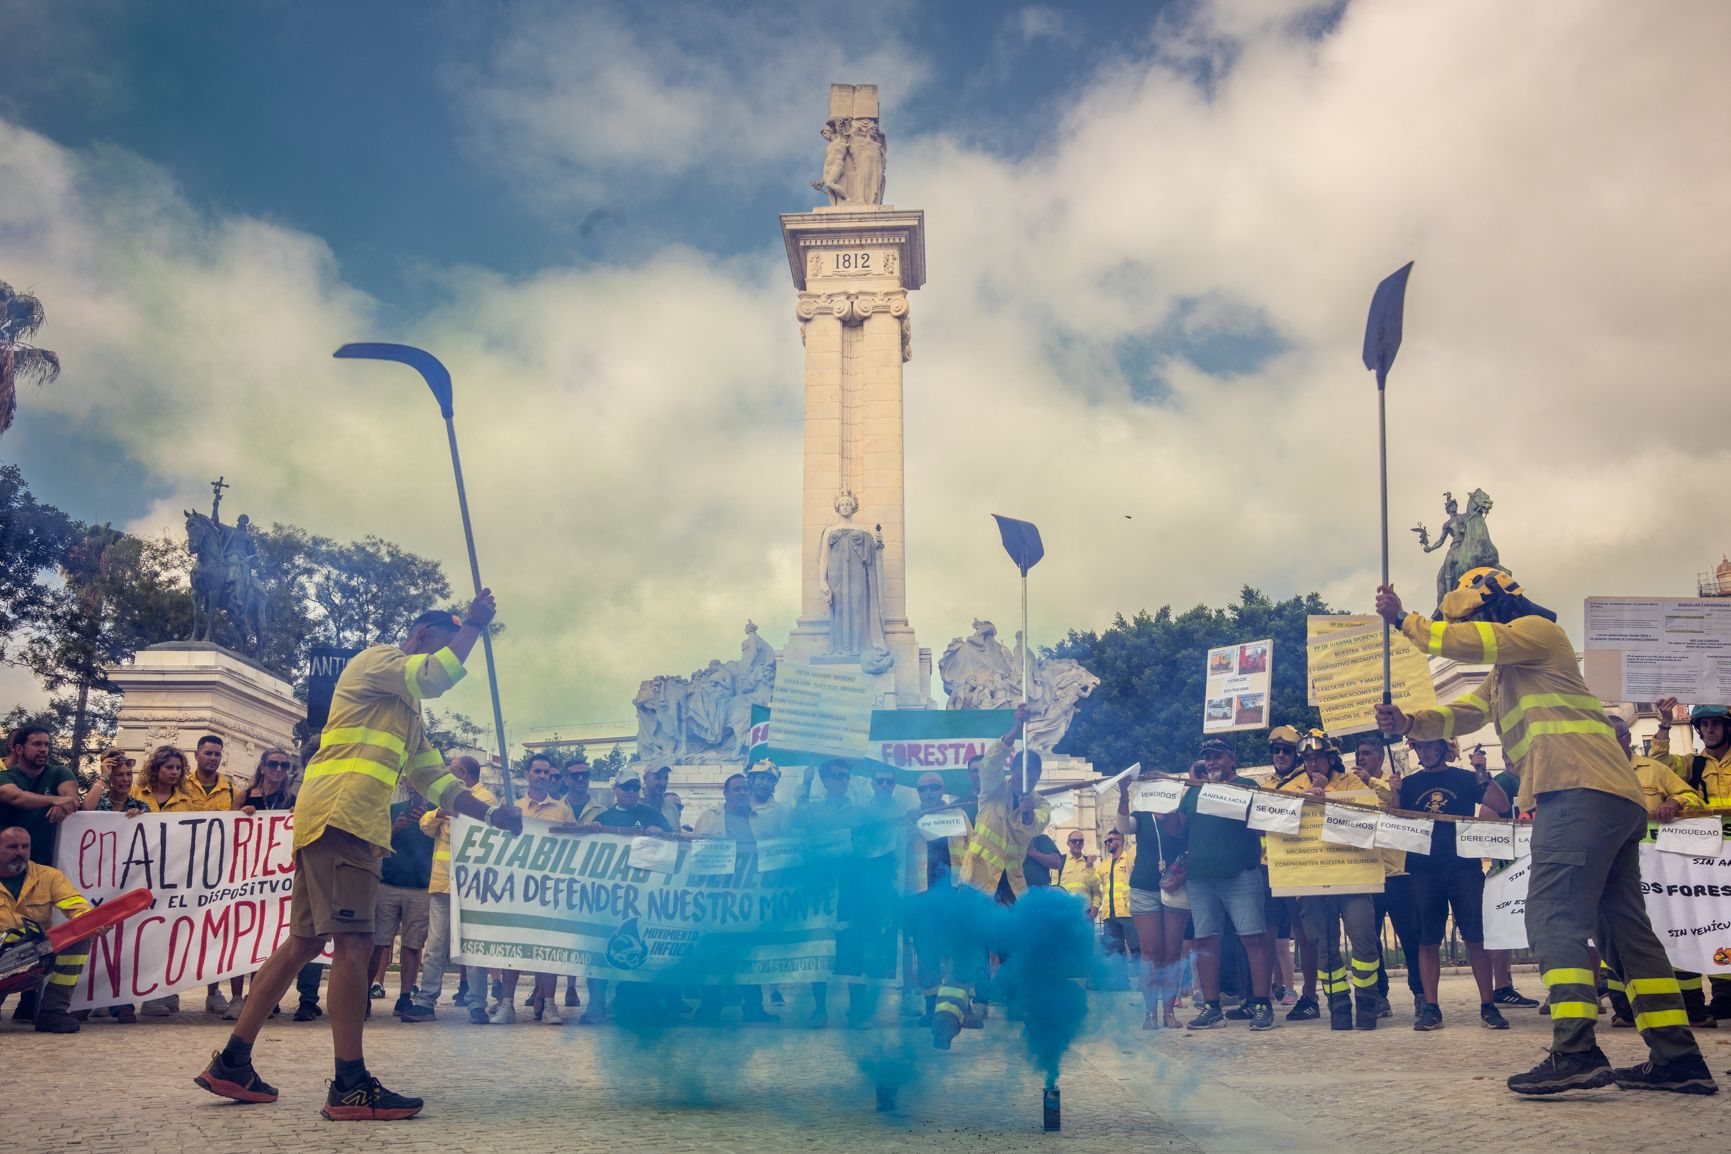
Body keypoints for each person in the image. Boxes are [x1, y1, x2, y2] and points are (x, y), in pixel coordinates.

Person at [1377, 569, 1715, 1095]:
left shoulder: (1538, 633)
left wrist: (1404, 621)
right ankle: (1677, 1057)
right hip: (1610, 798)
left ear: (1494, 608)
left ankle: (1575, 1050)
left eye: (1473, 617)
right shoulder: (1509, 672)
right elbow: (1462, 714)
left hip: (1574, 792)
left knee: (1552, 916)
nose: (1473, 629)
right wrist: (1409, 724)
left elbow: (1465, 644)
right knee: (1624, 933)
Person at [194, 595, 524, 1121]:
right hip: (343, 818)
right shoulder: (377, 661)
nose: (435, 663)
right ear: (416, 640)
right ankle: (349, 1083)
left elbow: (433, 779)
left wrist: (489, 814)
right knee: (353, 943)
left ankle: (233, 1062)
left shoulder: (407, 712)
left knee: (302, 943)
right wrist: (475, 629)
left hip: (340, 822)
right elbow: (435, 676)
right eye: (434, 650)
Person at [1605, 710, 1713, 1029]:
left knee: (1676, 930)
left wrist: (1675, 803)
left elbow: (1692, 798)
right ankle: (1624, 1008)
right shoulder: (1589, 774)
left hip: (1663, 872)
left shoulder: (1653, 770)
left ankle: (1692, 1006)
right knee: (1618, 935)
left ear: (1627, 739)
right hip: (1615, 870)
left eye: (1615, 739)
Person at [1398, 735, 1511, 1031]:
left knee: (1476, 937)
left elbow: (1500, 804)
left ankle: (1488, 1004)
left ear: (1445, 749)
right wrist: (1394, 793)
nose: (1424, 752)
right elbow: (1396, 824)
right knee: (1427, 939)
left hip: (1463, 866)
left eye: (1430, 745)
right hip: (1423, 868)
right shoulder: (1409, 784)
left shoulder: (1465, 778)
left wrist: (1482, 774)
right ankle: (1431, 1007)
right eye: (1419, 746)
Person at [1279, 730, 1384, 1031]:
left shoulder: (1352, 783)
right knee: (1324, 947)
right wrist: (1307, 797)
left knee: (1364, 940)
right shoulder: (1292, 788)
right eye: (1307, 759)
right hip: (1314, 883)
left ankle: (1367, 1001)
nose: (1312, 764)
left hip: (1353, 880)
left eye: (1317, 758)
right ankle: (1337, 1003)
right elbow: (1279, 828)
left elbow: (1366, 822)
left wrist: (1326, 795)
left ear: (1331, 758)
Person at [1174, 741, 1276, 1032]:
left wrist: (1236, 804)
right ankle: (1212, 1006)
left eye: (1217, 756)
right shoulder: (1194, 791)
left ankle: (1261, 1003)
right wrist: (1164, 807)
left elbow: (1261, 826)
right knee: (1205, 942)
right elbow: (1177, 831)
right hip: (1200, 879)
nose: (1211, 762)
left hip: (1240, 874)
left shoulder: (1247, 785)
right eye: (1207, 757)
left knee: (1253, 939)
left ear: (1233, 759)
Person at [1650, 695, 1731, 1021]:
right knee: (1698, 923)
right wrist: (1665, 724)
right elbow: (1658, 766)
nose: (1709, 730)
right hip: (1701, 860)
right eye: (1704, 724)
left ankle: (1725, 997)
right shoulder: (1691, 764)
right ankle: (1702, 1001)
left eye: (1715, 724)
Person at [410, 754, 493, 1024]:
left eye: (451, 770)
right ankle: (425, 1000)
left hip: (473, 887)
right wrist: (439, 812)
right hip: (442, 883)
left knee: (473, 946)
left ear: (462, 773)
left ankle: (477, 1002)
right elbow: (425, 825)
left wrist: (453, 813)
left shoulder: (487, 799)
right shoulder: (445, 801)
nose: (447, 773)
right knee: (434, 946)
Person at [491, 756, 571, 1024]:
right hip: (516, 887)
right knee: (512, 947)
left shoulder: (562, 809)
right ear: (528, 774)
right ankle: (506, 1004)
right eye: (537, 771)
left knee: (548, 947)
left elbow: (574, 845)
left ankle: (549, 1004)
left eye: (546, 772)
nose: (541, 775)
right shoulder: (512, 807)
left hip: (549, 889)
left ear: (551, 776)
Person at [693, 774, 778, 1024]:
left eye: (746, 788)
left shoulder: (761, 822)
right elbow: (693, 853)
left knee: (749, 953)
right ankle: (710, 1007)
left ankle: (754, 1007)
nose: (742, 793)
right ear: (726, 793)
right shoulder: (708, 819)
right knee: (714, 953)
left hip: (750, 899)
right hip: (716, 899)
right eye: (737, 789)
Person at [0, 826, 97, 1032]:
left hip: (38, 955)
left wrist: (90, 922)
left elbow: (77, 907)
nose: (20, 852)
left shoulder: (49, 876)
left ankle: (53, 1012)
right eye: (12, 847)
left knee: (80, 937)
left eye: (25, 847)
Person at [1114, 768, 1185, 1028]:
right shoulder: (1142, 814)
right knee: (1150, 952)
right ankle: (1150, 1012)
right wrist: (1123, 794)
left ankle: (1169, 1012)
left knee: (1172, 952)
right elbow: (1123, 827)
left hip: (1176, 886)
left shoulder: (1178, 814)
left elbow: (1186, 843)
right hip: (1144, 887)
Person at [186, 734, 243, 1016]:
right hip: (182, 868)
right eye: (208, 753)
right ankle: (166, 993)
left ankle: (213, 992)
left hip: (219, 869)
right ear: (196, 754)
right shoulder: (181, 784)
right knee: (180, 928)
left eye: (217, 754)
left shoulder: (231, 788)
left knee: (217, 930)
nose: (213, 758)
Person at [370, 791, 434, 1021]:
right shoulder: (393, 809)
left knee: (413, 944)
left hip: (421, 886)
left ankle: (405, 996)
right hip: (388, 884)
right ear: (408, 783)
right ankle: (364, 996)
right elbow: (375, 841)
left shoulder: (438, 813)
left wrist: (429, 820)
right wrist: (395, 827)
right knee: (378, 943)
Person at [1265, 725, 1309, 1013]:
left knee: (1304, 933)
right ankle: (1268, 989)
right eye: (1276, 750)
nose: (1281, 755)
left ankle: (1308, 994)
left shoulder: (1309, 780)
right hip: (1269, 866)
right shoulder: (1265, 784)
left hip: (1300, 865)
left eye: (1287, 751)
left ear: (1296, 754)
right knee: (1270, 933)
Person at [0, 725, 80, 865]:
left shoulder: (59, 772)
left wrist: (64, 804)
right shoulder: (5, 776)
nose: (43, 749)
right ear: (19, 749)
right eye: (37, 744)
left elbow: (71, 796)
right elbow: (16, 797)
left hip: (48, 865)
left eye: (46, 744)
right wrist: (56, 800)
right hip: (8, 865)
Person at [1094, 827, 1138, 989]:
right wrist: (1089, 868)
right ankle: (1122, 982)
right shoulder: (1104, 864)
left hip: (1127, 912)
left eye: (1110, 840)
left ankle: (1144, 982)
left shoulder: (1129, 859)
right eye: (1106, 841)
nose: (1107, 843)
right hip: (1109, 914)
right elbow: (1096, 884)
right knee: (1115, 951)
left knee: (1137, 948)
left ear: (1120, 841)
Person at [81, 749, 148, 815]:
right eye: (119, 775)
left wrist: (138, 817)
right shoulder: (97, 803)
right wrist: (103, 777)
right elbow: (85, 810)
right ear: (109, 777)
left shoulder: (140, 807)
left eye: (129, 774)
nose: (125, 779)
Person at [133, 746, 195, 813]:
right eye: (169, 767)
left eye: (178, 768)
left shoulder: (185, 801)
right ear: (156, 768)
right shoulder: (136, 793)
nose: (175, 772)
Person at [1056, 831, 1101, 920]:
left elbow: (1096, 890)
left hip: (1085, 913)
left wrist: (1096, 906)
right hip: (1065, 911)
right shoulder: (1060, 861)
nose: (1077, 843)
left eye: (1080, 841)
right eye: (1074, 841)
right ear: (1068, 843)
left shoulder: (1089, 862)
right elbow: (1053, 887)